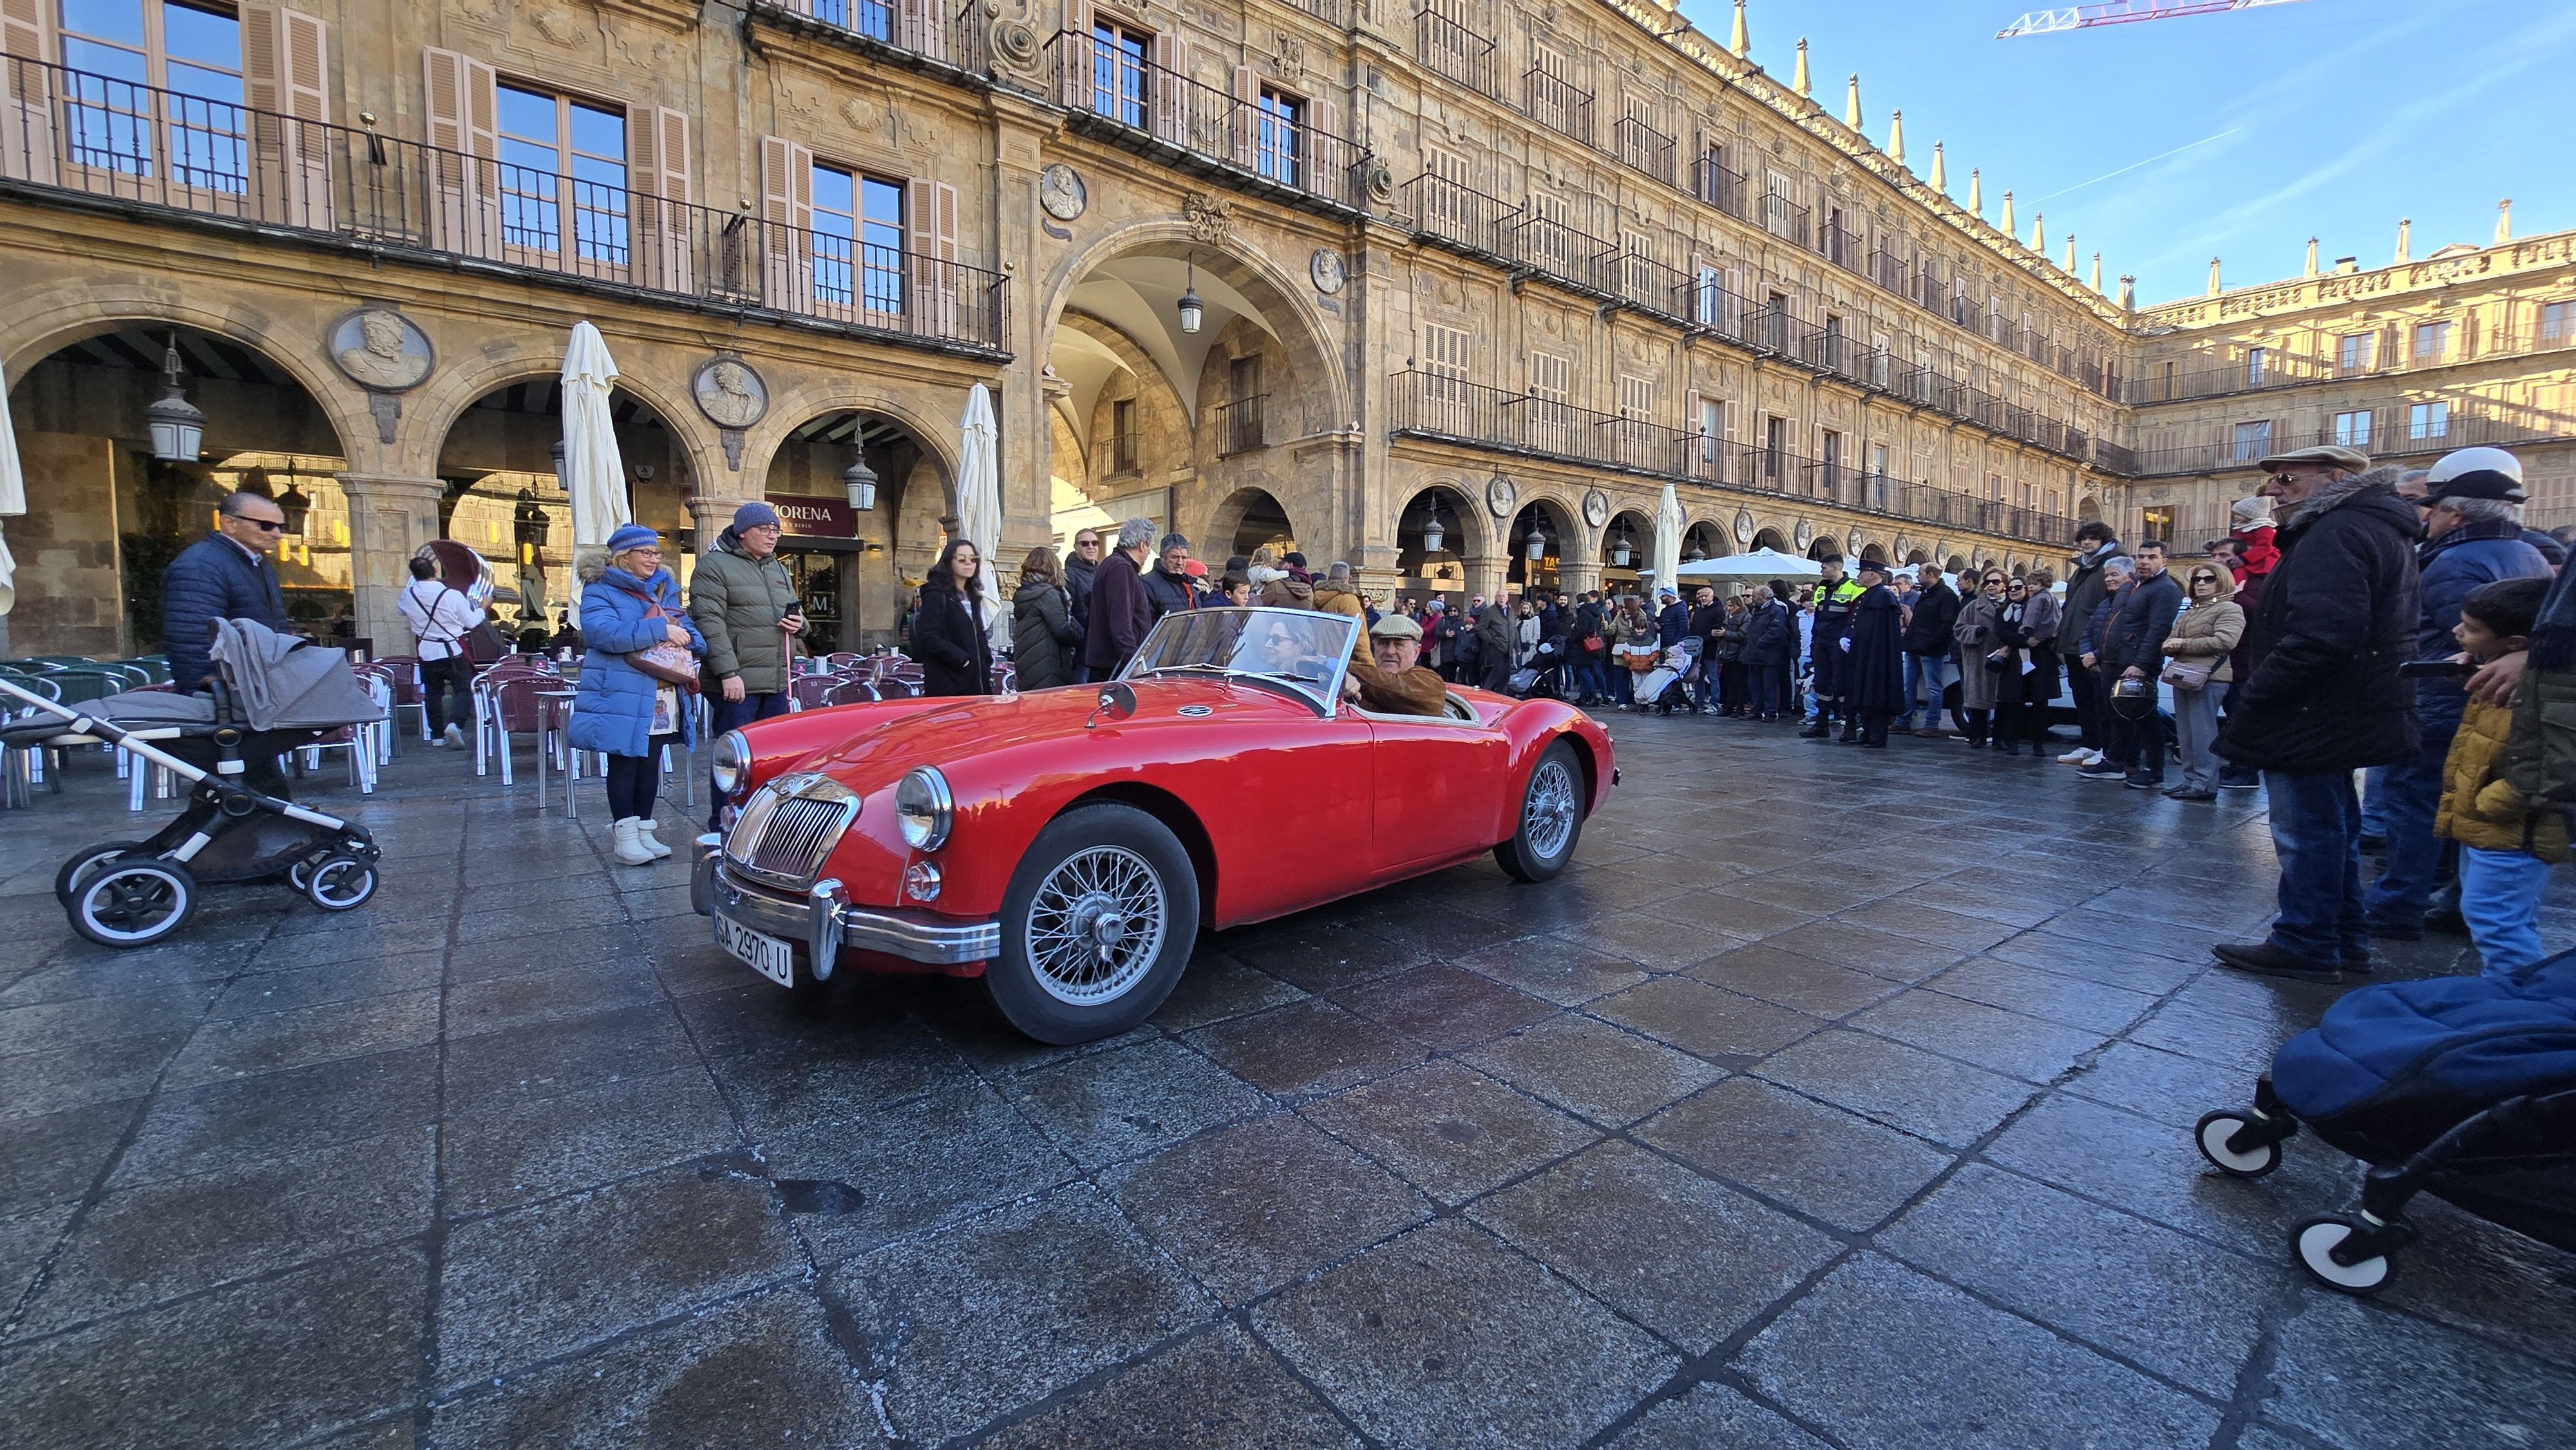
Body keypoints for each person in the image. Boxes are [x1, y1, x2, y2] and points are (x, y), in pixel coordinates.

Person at [2211, 446, 2423, 983]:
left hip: (2314, 710)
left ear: (2335, 478)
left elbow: (2323, 634)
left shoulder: (2337, 532)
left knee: (2307, 831)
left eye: (2286, 478)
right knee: (2334, 829)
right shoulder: (2367, 526)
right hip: (2341, 707)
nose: (2274, 491)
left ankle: (2305, 940)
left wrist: (2260, 690)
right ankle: (2343, 940)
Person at [2362, 448, 2551, 939]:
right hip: (2492, 707)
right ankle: (2455, 900)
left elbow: (2463, 638)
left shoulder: (2453, 562)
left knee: (2415, 800)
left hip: (2444, 702)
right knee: (2464, 803)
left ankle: (2397, 902)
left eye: (2436, 506)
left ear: (2457, 513)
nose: (2428, 514)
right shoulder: (2527, 552)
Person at [2434, 576, 2564, 979]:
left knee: (2496, 918)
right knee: (2493, 914)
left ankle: (2519, 1003)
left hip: (2510, 824)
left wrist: (2497, 801)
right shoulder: (2509, 676)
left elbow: (2547, 762)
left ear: (2516, 645)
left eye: (2472, 629)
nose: (2458, 632)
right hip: (2489, 821)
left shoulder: (2544, 689)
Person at [572, 527, 705, 867]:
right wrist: (659, 630)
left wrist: (692, 640)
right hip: (622, 689)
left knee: (651, 761)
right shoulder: (600, 589)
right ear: (623, 557)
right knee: (625, 760)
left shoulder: (664, 589)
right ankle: (625, 835)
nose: (653, 558)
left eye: (656, 552)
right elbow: (601, 634)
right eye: (645, 552)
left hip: (661, 691)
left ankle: (645, 830)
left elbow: (684, 626)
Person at [689, 502, 801, 820]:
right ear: (742, 533)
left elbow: (794, 612)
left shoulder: (777, 567)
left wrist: (799, 624)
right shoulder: (714, 566)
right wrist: (728, 673)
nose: (772, 536)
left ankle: (764, 820)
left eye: (775, 530)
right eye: (764, 530)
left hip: (777, 678)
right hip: (737, 681)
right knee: (734, 758)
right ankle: (723, 821)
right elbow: (709, 622)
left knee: (774, 755)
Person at [160, 489, 292, 690]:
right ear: (230, 524)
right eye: (266, 526)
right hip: (229, 696)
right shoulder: (201, 565)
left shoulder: (257, 564)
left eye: (281, 527)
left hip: (256, 691)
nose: (277, 534)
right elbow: (192, 640)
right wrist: (211, 694)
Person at [2085, 540, 2184, 789]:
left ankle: (2154, 769)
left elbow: (2158, 630)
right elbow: (2114, 624)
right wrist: (2099, 654)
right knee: (2117, 715)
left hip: (2136, 663)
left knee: (2145, 717)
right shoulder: (2134, 586)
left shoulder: (2166, 590)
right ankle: (2116, 762)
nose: (2144, 561)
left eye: (2151, 557)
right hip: (2114, 660)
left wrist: (2141, 664)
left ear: (2164, 561)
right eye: (2141, 556)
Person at [2158, 560, 2244, 800]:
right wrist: (2170, 645)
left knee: (2203, 731)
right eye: (2197, 580)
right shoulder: (2192, 610)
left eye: (2209, 579)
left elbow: (2226, 641)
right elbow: (2172, 638)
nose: (2202, 584)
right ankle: (2190, 781)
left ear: (2222, 581)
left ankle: (2205, 784)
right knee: (2185, 732)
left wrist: (2184, 644)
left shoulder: (2229, 609)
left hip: (2210, 677)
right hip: (2185, 674)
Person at [2054, 522, 2129, 766]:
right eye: (2083, 538)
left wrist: (2096, 648)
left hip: (2094, 645)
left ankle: (2105, 749)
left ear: (2104, 540)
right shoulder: (2084, 566)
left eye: (2093, 538)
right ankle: (2090, 745)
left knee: (2101, 701)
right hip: (2074, 641)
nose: (2087, 542)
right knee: (2083, 699)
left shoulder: (2113, 563)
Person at [395, 553, 485, 748]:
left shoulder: (409, 595)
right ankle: (455, 724)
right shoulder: (452, 595)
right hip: (452, 650)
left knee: (433, 693)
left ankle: (437, 735)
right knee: (463, 689)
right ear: (436, 571)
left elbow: (401, 610)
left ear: (414, 575)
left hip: (427, 651)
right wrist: (483, 608)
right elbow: (470, 622)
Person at [913, 539, 996, 697]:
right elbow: (928, 637)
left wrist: (986, 659)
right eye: (961, 559)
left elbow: (979, 633)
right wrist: (961, 659)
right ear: (948, 562)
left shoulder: (974, 598)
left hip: (977, 681)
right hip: (949, 682)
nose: (968, 563)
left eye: (973, 559)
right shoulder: (936, 595)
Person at [1993, 570, 2062, 758]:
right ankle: (2011, 742)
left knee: (2041, 703)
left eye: (2018, 587)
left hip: (2041, 657)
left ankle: (2038, 744)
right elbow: (2002, 633)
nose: (2014, 591)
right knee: (2014, 703)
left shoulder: (2036, 604)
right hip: (2015, 660)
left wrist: (2038, 640)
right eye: (2010, 588)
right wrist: (2024, 641)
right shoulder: (2002, 610)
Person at [1842, 560, 1908, 748]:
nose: (1859, 576)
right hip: (1864, 652)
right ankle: (1868, 732)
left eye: (1862, 572)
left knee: (1876, 691)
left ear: (1872, 574)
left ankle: (1877, 735)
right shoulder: (1869, 595)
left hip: (1877, 655)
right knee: (1864, 691)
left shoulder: (1882, 596)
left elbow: (1878, 630)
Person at [1084, 518, 1156, 677]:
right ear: (1142, 545)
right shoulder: (1120, 568)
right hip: (1116, 667)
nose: (1150, 552)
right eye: (1151, 547)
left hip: (1112, 664)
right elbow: (1120, 622)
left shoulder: (1116, 565)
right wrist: (1133, 662)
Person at [1800, 559, 1862, 738]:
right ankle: (1821, 724)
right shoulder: (1822, 588)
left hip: (1840, 642)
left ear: (1837, 568)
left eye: (1824, 568)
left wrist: (1847, 639)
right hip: (1822, 641)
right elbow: (1818, 617)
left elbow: (1855, 619)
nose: (1821, 571)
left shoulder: (1854, 588)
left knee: (1842, 684)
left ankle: (1850, 725)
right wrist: (1815, 642)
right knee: (1821, 682)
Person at [1342, 614, 1451, 716]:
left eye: (1399, 645)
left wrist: (1340, 671)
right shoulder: (1357, 680)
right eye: (1383, 643)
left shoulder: (1430, 682)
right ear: (1374, 648)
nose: (1390, 651)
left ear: (1416, 652)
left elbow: (1392, 686)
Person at [1901, 565, 1962, 737]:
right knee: (1908, 686)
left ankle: (1932, 724)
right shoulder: (1927, 593)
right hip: (1914, 647)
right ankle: (1903, 721)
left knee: (1934, 688)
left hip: (1931, 650)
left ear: (1931, 575)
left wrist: (1931, 644)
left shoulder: (1947, 595)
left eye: (1920, 573)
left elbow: (1947, 625)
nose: (1918, 576)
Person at [1012, 545, 1082, 691]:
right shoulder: (1048, 594)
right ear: (1054, 568)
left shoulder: (1023, 593)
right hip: (1050, 665)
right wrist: (1079, 635)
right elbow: (1062, 631)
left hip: (1028, 663)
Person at [1952, 569, 2007, 748]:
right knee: (1978, 697)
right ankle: (1977, 736)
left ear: (2004, 584)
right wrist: (1974, 631)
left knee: (2003, 699)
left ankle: (2000, 738)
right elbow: (1959, 628)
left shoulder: (2011, 605)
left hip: (2005, 658)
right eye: (1987, 582)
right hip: (1979, 658)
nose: (1991, 585)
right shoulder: (1973, 606)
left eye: (1996, 582)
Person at [1063, 527, 1102, 677]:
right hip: (1081, 653)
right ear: (1076, 547)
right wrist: (1084, 637)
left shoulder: (1101, 572)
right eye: (1085, 543)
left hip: (1100, 651)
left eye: (1095, 543)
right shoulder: (1068, 575)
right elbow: (1067, 613)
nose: (1091, 547)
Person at [1141, 534, 1200, 619]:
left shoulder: (1189, 585)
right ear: (1162, 556)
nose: (1180, 562)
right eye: (1174, 557)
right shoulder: (1146, 585)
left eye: (1184, 558)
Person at [1475, 593, 1517, 693]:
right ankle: (1484, 695)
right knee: (1494, 675)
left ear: (1507, 598)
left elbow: (1513, 630)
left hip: (1508, 650)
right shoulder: (1489, 611)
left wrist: (1517, 646)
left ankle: (1502, 699)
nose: (1501, 598)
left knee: (1505, 677)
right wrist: (1492, 640)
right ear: (1495, 598)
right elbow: (1481, 629)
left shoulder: (1510, 612)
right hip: (1495, 649)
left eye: (1504, 596)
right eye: (1499, 596)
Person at [1314, 561, 1367, 630]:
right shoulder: (1349, 599)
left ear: (1329, 578)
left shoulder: (1317, 596)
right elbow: (1356, 631)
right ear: (1350, 579)